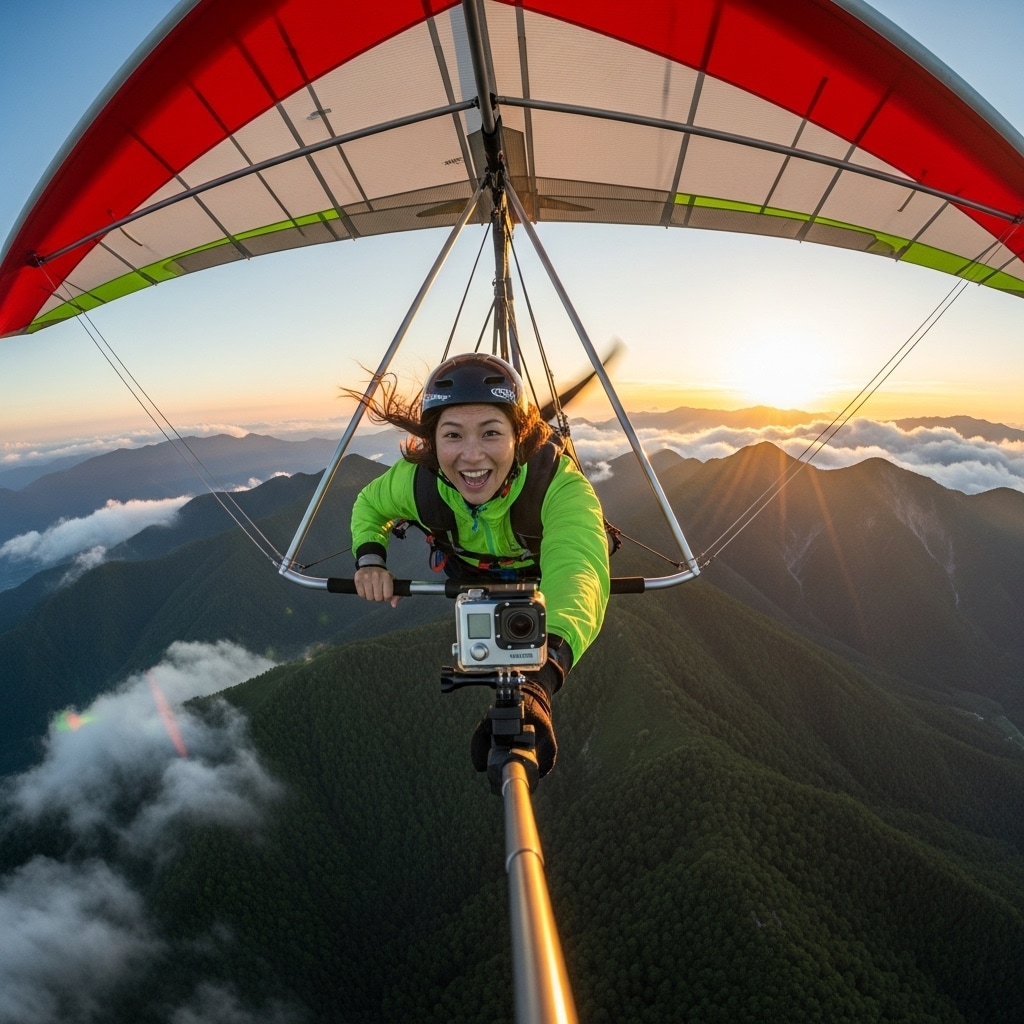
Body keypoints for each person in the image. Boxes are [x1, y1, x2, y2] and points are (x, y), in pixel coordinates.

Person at [348, 352, 610, 776]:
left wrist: (540, 680)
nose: (471, 456)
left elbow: (579, 571)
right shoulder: (417, 482)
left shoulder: (557, 486)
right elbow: (369, 505)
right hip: (466, 573)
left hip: (538, 578)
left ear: (518, 438)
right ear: (433, 444)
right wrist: (371, 559)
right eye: (453, 436)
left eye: (490, 433)